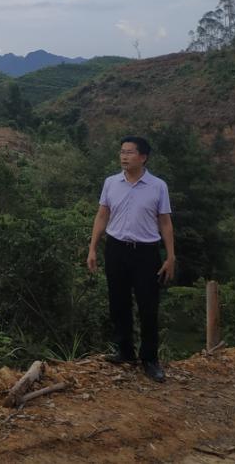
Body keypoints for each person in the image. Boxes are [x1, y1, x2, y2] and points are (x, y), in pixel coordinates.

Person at [86, 136, 175, 382]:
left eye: (129, 152)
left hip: (146, 252)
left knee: (148, 306)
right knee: (118, 302)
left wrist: (170, 256)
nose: (124, 156)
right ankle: (124, 350)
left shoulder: (158, 186)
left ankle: (149, 359)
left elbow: (165, 222)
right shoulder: (111, 183)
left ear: (143, 157)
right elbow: (102, 216)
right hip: (116, 249)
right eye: (122, 152)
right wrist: (93, 248)